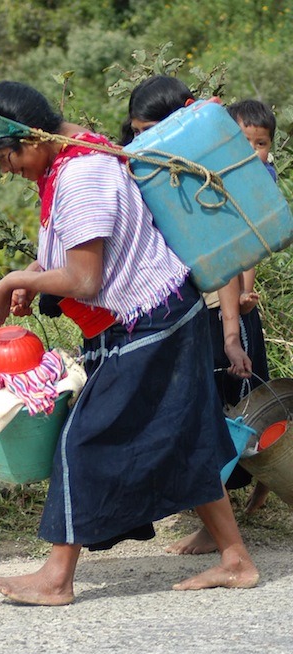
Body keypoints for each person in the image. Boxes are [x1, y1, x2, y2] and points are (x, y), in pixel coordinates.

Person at [0, 80, 258, 605]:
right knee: (185, 440)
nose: (6, 168)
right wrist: (33, 273)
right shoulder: (76, 154)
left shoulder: (83, 176)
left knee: (81, 440)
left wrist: (12, 283)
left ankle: (56, 578)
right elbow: (76, 259)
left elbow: (86, 280)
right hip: (163, 314)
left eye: (5, 156)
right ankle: (237, 561)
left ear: (33, 137)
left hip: (150, 322)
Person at [128, 78, 274, 553]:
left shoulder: (206, 176)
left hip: (221, 317)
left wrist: (232, 334)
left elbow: (230, 262)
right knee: (219, 413)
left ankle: (221, 529)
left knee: (228, 414)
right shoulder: (168, 169)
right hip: (201, 314)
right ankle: (230, 517)